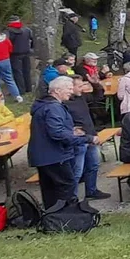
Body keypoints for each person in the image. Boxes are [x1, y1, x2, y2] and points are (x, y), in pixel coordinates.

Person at [29, 76, 94, 208]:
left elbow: (51, 128)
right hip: (55, 155)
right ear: (57, 90)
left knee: (49, 189)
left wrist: (70, 130)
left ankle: (52, 216)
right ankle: (67, 216)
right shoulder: (54, 107)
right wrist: (86, 138)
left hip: (43, 155)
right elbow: (57, 133)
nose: (71, 91)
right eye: (69, 88)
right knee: (66, 185)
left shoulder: (44, 105)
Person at [65, 77, 111, 200]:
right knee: (77, 171)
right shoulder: (64, 103)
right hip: (79, 140)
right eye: (79, 86)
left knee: (94, 165)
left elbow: (98, 96)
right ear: (70, 87)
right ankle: (72, 198)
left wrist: (95, 83)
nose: (82, 88)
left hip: (91, 136)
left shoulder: (81, 97)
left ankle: (91, 190)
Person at [7, 16, 34, 96]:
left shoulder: (10, 31)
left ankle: (20, 90)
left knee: (17, 72)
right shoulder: (27, 29)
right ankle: (28, 88)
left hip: (15, 54)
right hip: (26, 52)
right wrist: (31, 48)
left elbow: (7, 42)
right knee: (26, 71)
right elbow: (32, 39)